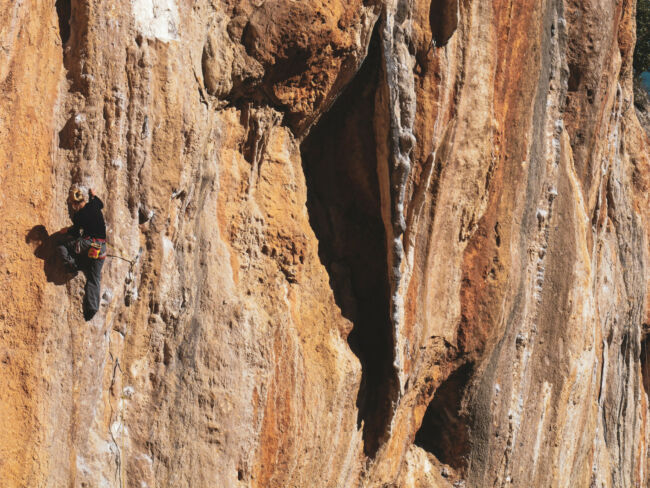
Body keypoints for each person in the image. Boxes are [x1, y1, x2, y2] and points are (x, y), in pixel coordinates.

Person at [57, 185, 107, 320]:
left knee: (62, 243)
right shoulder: (94, 204)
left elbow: (75, 232)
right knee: (94, 278)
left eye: (72, 204)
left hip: (88, 244)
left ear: (74, 203)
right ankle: (92, 309)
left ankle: (72, 265)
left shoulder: (79, 215)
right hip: (101, 248)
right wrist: (93, 195)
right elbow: (100, 203)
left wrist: (65, 230)